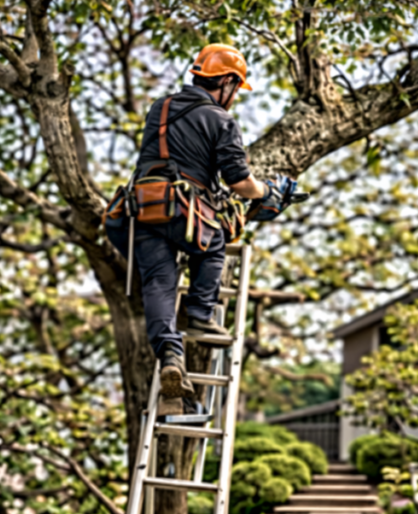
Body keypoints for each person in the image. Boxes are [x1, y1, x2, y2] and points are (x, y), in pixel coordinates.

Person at [106, 44, 296, 403]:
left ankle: (171, 358)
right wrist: (265, 190)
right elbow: (238, 181)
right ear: (225, 80)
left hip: (144, 207)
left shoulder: (159, 107)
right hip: (184, 209)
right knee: (212, 247)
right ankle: (200, 313)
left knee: (158, 283)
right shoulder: (221, 120)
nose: (235, 97)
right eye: (235, 88)